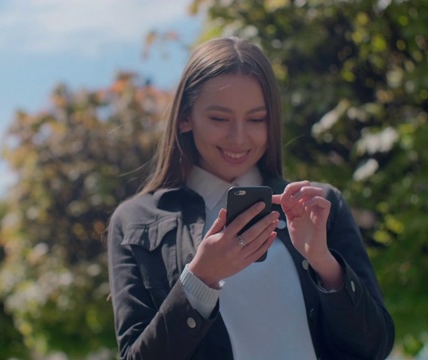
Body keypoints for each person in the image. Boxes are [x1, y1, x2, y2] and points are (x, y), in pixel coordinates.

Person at [107, 37, 394, 360]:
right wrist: (201, 279)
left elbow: (375, 346)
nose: (239, 137)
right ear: (185, 118)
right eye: (219, 119)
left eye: (257, 119)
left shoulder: (320, 206)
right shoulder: (135, 221)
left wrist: (324, 262)